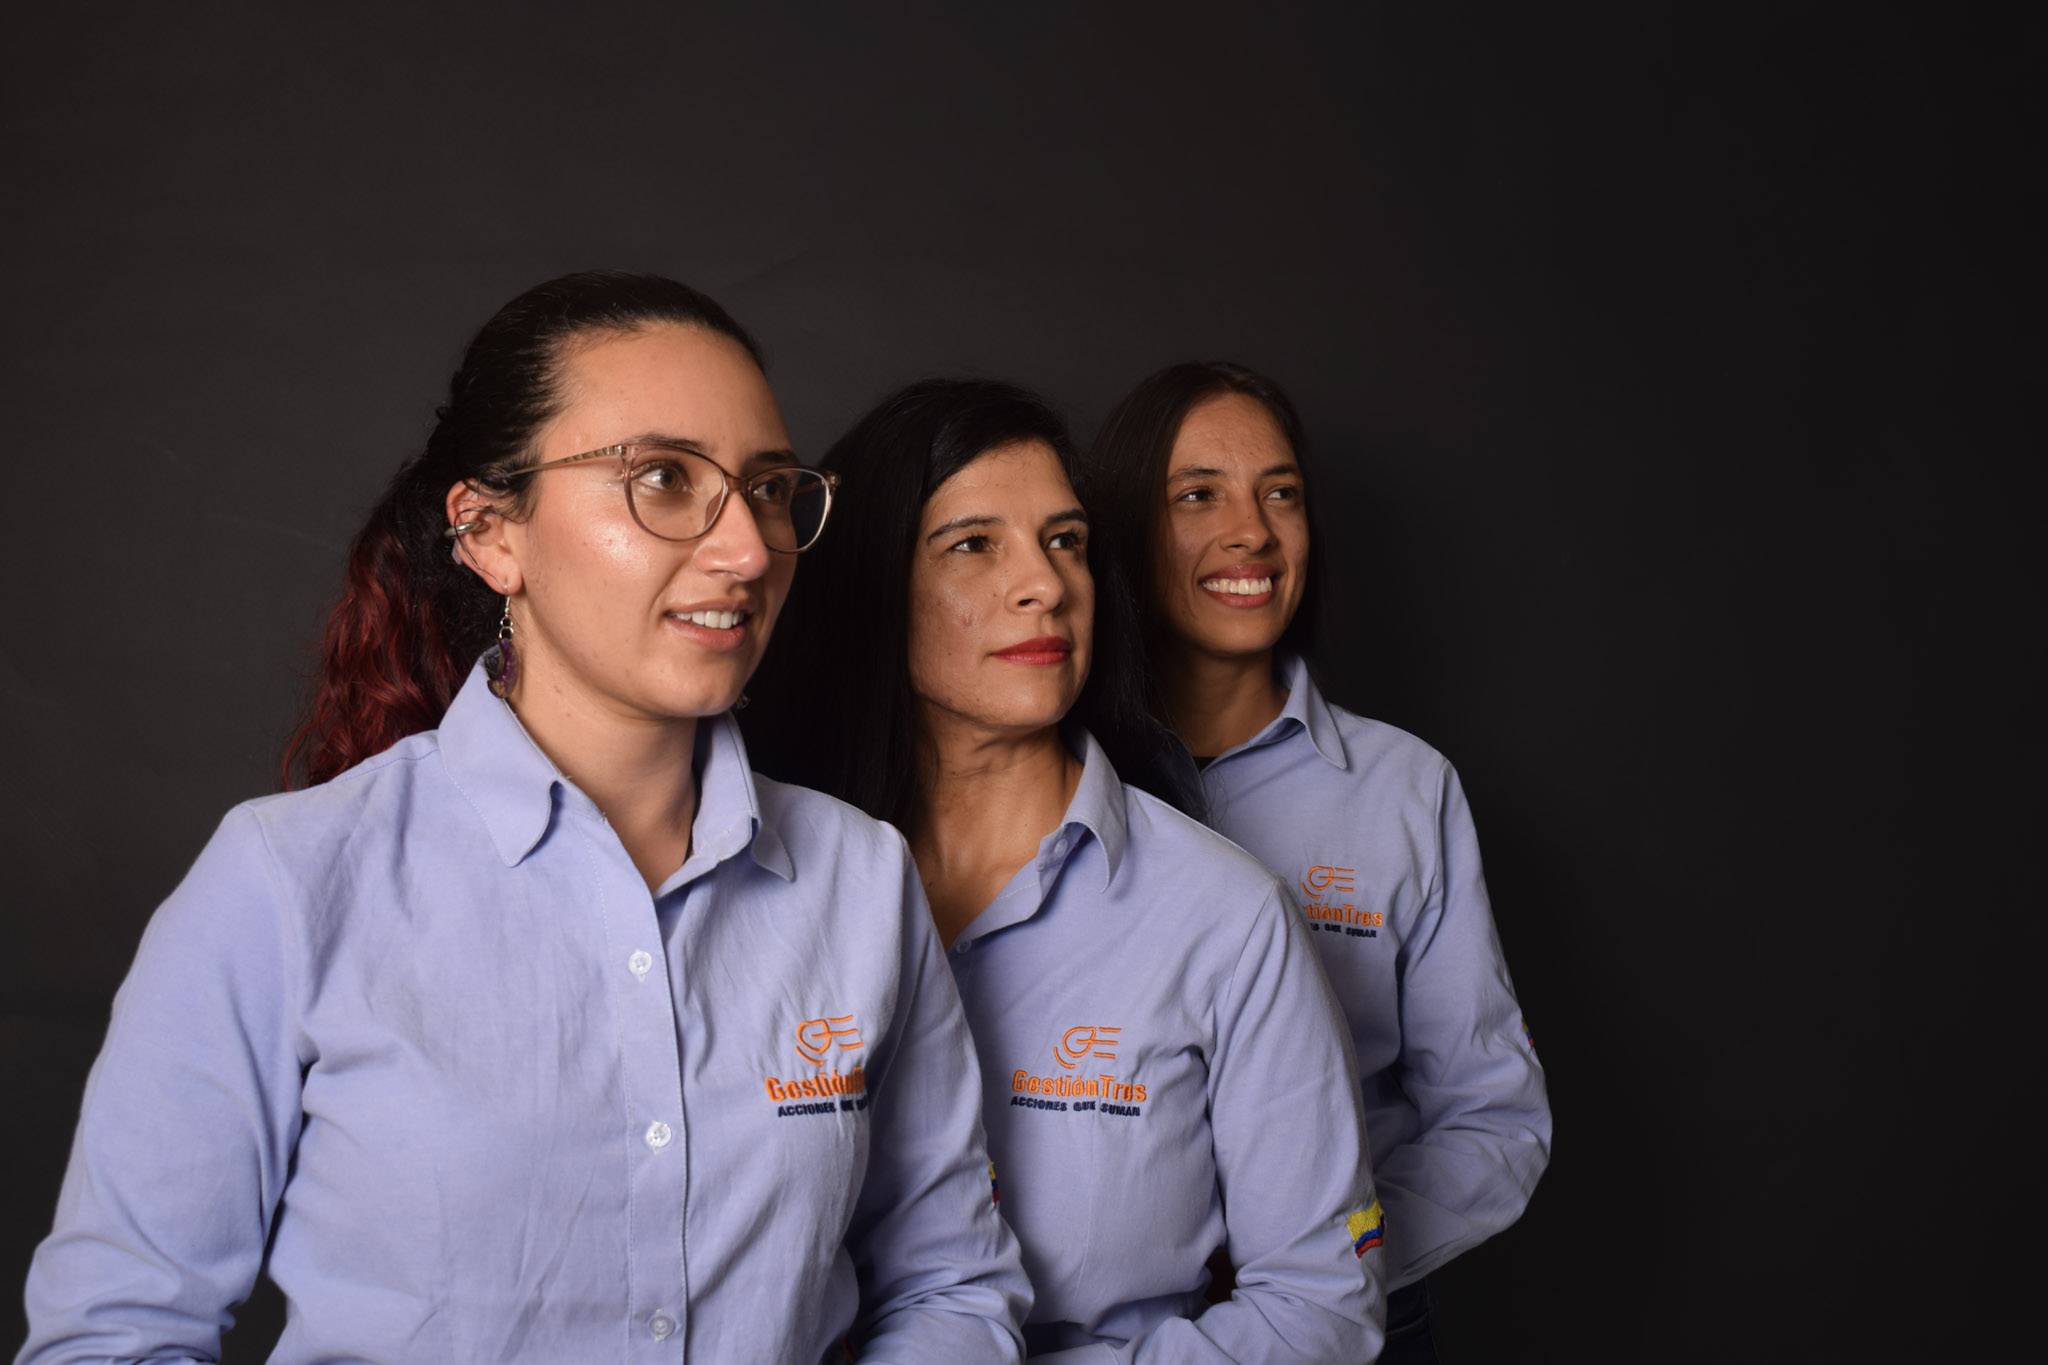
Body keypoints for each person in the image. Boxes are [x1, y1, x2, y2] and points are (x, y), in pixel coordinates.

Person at [18, 273, 1030, 1364]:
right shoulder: (285, 883)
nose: (746, 549)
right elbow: (112, 1337)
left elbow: (950, 1285)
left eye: (769, 488)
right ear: (492, 533)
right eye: (663, 478)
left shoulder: (860, 879)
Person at [743, 378, 1385, 1364]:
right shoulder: (760, 886)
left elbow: (1321, 1307)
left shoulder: (1226, 918)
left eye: (1065, 540)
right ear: (874, 582)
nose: (1042, 583)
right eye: (973, 544)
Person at [1083, 361, 1552, 1363]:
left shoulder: (1405, 789)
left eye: (1280, 493)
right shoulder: (1053, 780)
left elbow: (1493, 1118)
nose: (1250, 531)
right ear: (1124, 526)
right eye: (1197, 494)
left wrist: (1326, 1260)